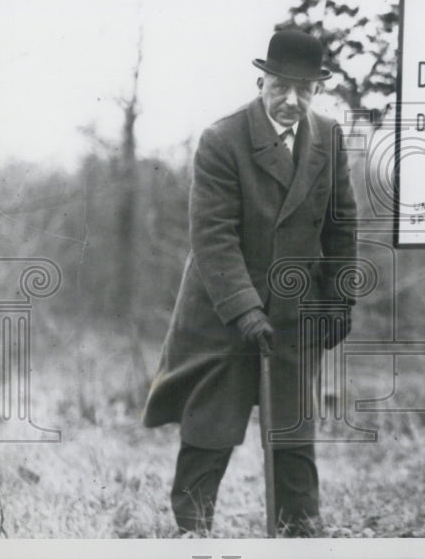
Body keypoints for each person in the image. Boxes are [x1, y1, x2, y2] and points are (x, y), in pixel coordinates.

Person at [143, 29, 358, 536]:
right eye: (281, 85)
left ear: (316, 91)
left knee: (292, 434)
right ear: (262, 79)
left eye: (305, 90)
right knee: (210, 431)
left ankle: (299, 533)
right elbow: (213, 238)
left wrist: (338, 300)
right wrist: (244, 310)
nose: (291, 100)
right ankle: (192, 533)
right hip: (222, 310)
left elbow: (342, 224)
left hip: (291, 313)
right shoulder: (223, 139)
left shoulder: (328, 137)